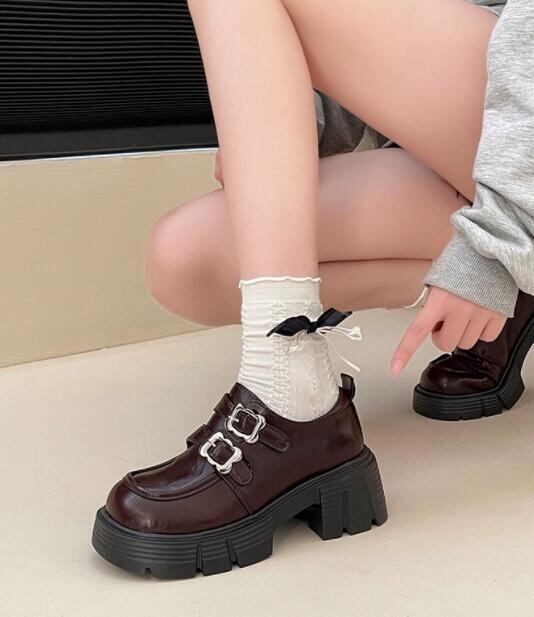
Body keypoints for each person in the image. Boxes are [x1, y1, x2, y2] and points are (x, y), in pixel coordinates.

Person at [92, 0, 534, 577]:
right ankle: (302, 380)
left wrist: (500, 232)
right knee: (187, 261)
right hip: (480, 141)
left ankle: (288, 399)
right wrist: (274, 130)